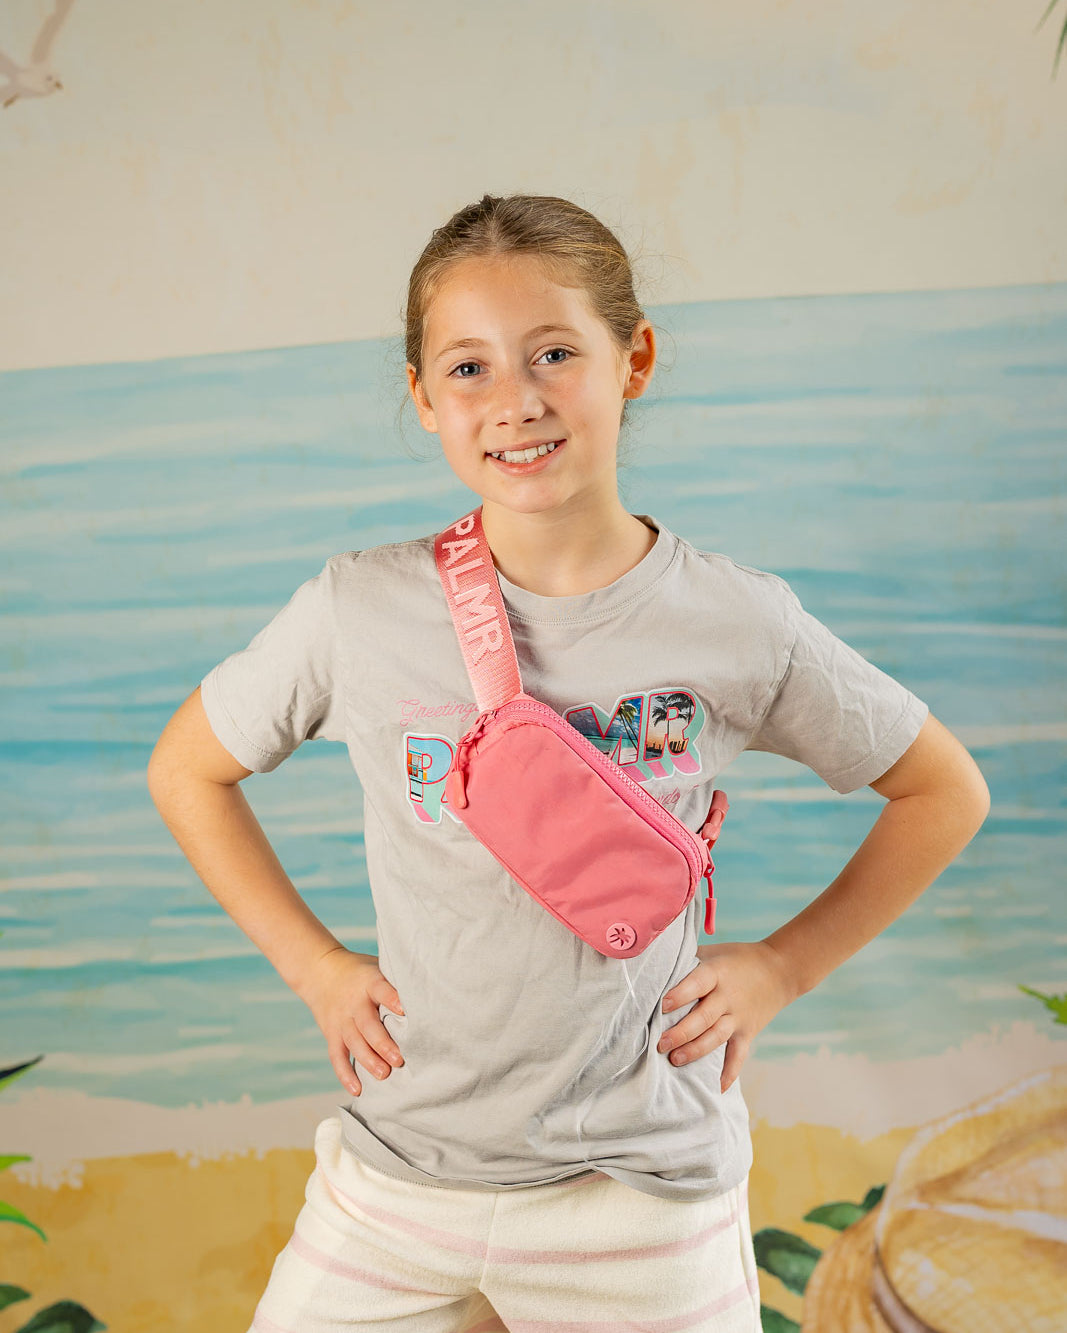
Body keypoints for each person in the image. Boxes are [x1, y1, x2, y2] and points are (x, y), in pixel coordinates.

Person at [147, 193, 990, 1333]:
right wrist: (313, 968)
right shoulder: (359, 608)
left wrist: (780, 969)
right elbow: (187, 769)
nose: (516, 402)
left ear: (631, 359)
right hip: (400, 1172)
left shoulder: (734, 619)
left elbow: (942, 790)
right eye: (468, 369)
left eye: (554, 353)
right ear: (422, 397)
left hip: (639, 1199)